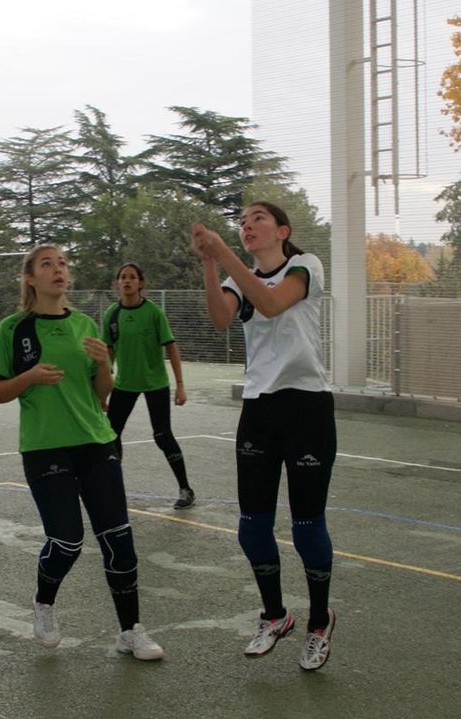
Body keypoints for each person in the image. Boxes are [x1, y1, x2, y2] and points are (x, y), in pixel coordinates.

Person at [0, 244, 164, 661]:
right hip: (45, 447)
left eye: (63, 263)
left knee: (119, 541)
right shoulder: (14, 329)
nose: (58, 269)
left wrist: (104, 366)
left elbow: (102, 394)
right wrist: (28, 376)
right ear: (30, 278)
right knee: (66, 540)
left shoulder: (86, 325)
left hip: (96, 442)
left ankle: (130, 631)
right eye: (47, 264)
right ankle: (44, 603)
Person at [191, 202, 337, 671]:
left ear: (282, 230)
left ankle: (319, 621)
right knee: (252, 525)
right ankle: (275, 615)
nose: (247, 225)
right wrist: (211, 263)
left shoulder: (305, 266)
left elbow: (273, 303)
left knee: (306, 525)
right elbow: (219, 317)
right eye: (242, 222)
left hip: (307, 408)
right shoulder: (238, 279)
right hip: (260, 411)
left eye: (257, 219)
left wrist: (224, 252)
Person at [101, 263, 196, 509]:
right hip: (125, 384)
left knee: (162, 435)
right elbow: (108, 354)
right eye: (123, 277)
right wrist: (102, 389)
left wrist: (180, 385)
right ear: (117, 283)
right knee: (111, 435)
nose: (127, 281)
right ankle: (113, 489)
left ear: (141, 283)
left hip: (155, 383)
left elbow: (171, 347)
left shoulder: (153, 313)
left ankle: (186, 489)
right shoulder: (111, 314)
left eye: (132, 277)